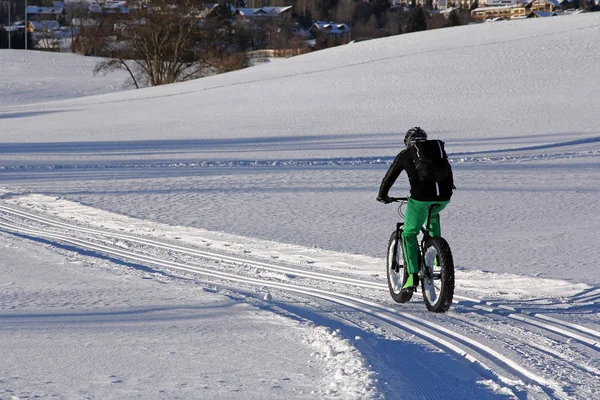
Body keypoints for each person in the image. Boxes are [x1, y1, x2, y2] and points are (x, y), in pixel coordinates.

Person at [376, 127, 454, 289]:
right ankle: (437, 256)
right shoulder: (437, 152)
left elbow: (389, 176)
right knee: (432, 214)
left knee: (409, 233)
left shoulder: (406, 154)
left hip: (420, 198)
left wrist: (382, 195)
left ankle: (411, 276)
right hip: (443, 198)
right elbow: (449, 176)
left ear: (407, 142)